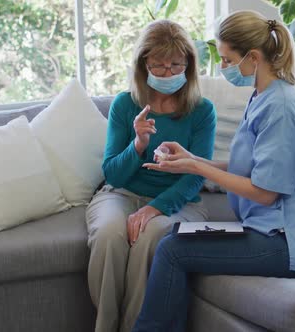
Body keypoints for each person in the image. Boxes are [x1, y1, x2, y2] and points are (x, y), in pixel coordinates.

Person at [133, 10, 295, 332]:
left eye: (227, 60)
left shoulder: (282, 107)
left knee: (172, 251)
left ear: (253, 57)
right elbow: (251, 168)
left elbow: (266, 192)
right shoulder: (262, 96)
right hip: (270, 230)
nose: (222, 68)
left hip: (291, 244)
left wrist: (196, 168)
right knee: (175, 238)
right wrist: (192, 158)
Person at [85, 20, 216, 332]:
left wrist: (154, 207)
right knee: (109, 235)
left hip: (178, 201)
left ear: (189, 65)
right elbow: (112, 173)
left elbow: (197, 175)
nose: (168, 73)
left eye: (176, 65)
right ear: (143, 65)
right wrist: (138, 144)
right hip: (121, 193)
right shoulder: (125, 104)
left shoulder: (202, 110)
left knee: (151, 236)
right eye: (159, 66)